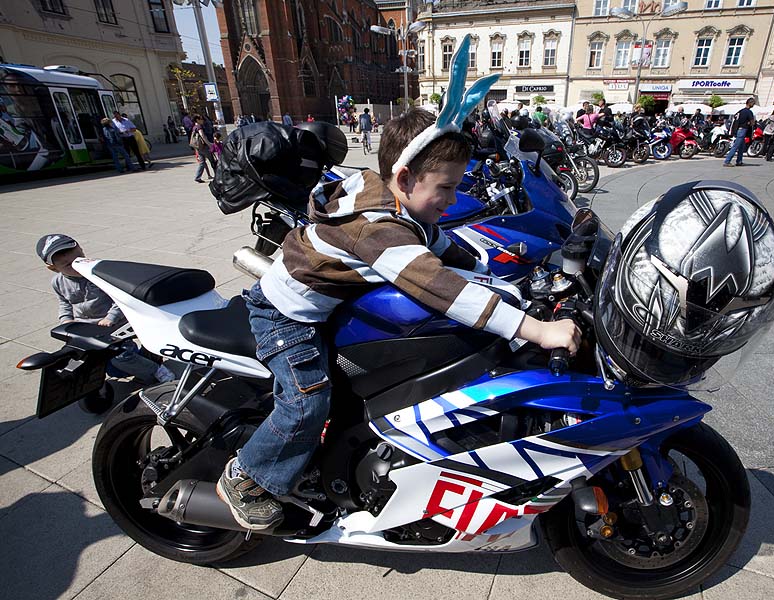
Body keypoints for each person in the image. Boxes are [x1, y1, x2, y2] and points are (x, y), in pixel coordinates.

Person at [215, 107, 581, 529]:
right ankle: (246, 479)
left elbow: (447, 251)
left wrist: (510, 272)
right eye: (445, 188)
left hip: (324, 304)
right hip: (285, 318)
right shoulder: (377, 230)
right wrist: (536, 329)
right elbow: (441, 288)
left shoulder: (402, 208)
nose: (451, 199)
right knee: (307, 400)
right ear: (405, 178)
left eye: (456, 186)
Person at [36, 234, 175, 385]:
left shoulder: (98, 274)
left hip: (114, 325)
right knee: (78, 357)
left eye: (78, 258)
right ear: (53, 268)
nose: (75, 265)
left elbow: (120, 297)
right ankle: (88, 385)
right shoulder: (58, 282)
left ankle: (156, 370)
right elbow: (64, 302)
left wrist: (111, 317)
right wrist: (66, 320)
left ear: (82, 250)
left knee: (119, 355)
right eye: (68, 265)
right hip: (86, 327)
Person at [723, 97, 756, 167]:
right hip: (743, 129)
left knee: (741, 146)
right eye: (753, 103)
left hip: (738, 129)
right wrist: (750, 123)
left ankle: (739, 161)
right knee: (736, 146)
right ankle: (727, 161)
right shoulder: (748, 112)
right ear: (750, 103)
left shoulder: (740, 111)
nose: (753, 105)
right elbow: (752, 122)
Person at [190, 115, 214, 183]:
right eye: (201, 119)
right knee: (212, 160)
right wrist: (209, 144)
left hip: (198, 147)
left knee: (202, 162)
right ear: (197, 120)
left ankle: (198, 177)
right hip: (204, 147)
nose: (203, 120)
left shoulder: (194, 127)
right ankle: (218, 174)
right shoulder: (199, 127)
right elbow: (202, 136)